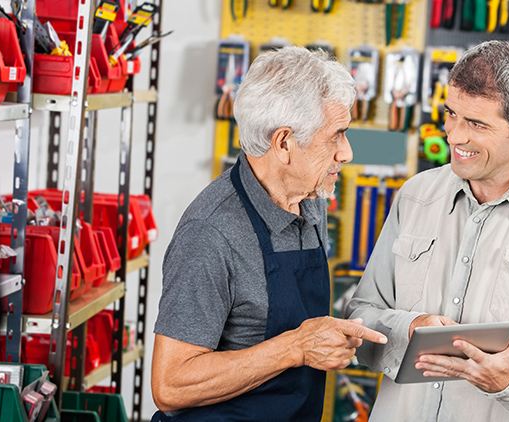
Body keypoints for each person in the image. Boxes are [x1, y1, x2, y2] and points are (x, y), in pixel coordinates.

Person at [346, 40, 509, 422]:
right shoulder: (416, 196)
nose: (454, 136)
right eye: (451, 114)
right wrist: (411, 327)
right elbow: (361, 316)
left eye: (476, 124)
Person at [151, 46, 387, 422]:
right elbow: (171, 386)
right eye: (336, 135)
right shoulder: (210, 234)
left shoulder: (310, 199)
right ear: (283, 144)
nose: (347, 152)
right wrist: (296, 347)